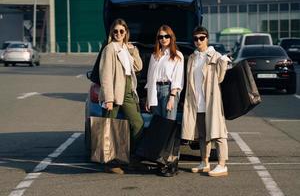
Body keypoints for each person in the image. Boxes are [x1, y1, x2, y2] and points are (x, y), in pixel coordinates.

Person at [181, 26, 231, 177]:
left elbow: (220, 78)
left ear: (207, 39)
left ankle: (222, 164)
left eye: (201, 38)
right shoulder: (192, 57)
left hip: (211, 101)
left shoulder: (215, 56)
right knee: (202, 135)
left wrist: (223, 62)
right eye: (196, 38)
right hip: (197, 102)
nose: (198, 41)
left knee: (218, 133)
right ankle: (205, 162)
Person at [99, 18, 144, 174]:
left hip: (128, 90)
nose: (118, 34)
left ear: (126, 33)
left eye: (121, 31)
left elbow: (138, 66)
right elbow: (105, 74)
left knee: (137, 123)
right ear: (112, 32)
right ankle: (110, 163)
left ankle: (132, 158)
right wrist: (108, 98)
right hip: (114, 90)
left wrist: (133, 51)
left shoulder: (126, 48)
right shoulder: (110, 48)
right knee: (109, 127)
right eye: (115, 31)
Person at [145, 25, 184, 177]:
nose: (163, 39)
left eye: (166, 36)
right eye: (160, 37)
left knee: (170, 127)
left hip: (169, 91)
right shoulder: (155, 55)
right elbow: (150, 77)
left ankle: (172, 163)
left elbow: (178, 78)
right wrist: (149, 98)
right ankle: (161, 162)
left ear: (171, 37)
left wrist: (172, 97)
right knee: (159, 129)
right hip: (155, 91)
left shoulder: (177, 55)